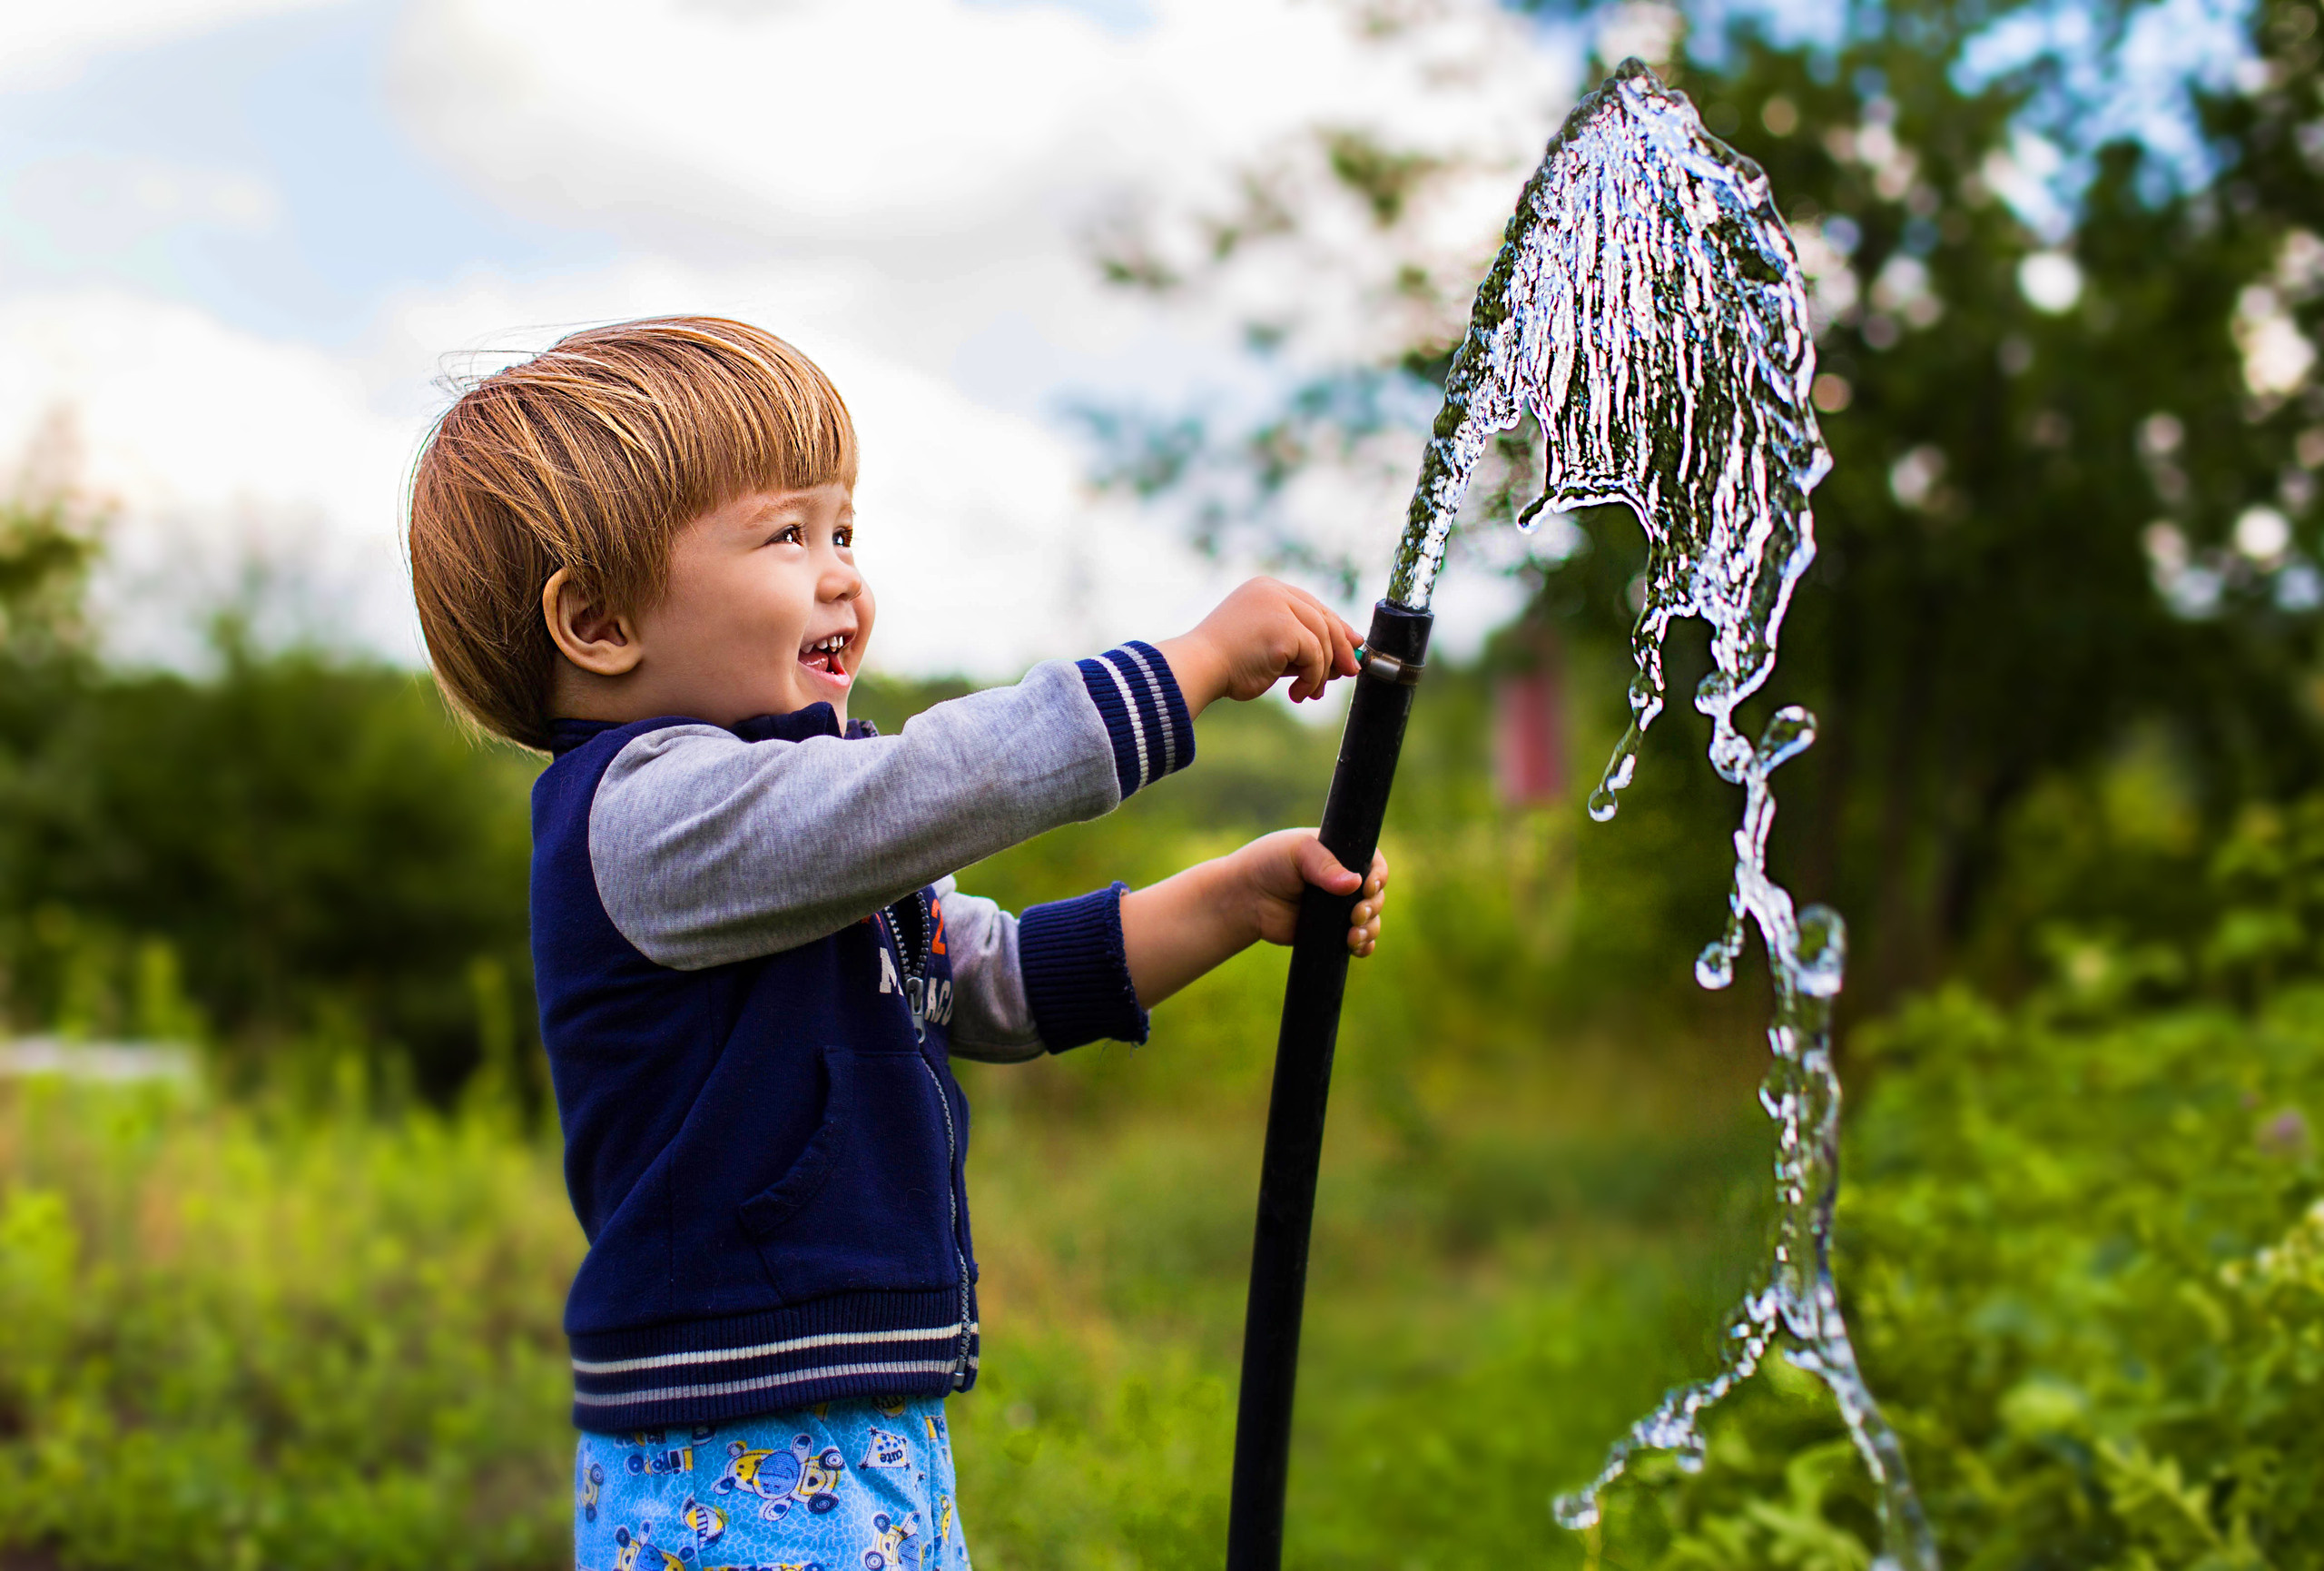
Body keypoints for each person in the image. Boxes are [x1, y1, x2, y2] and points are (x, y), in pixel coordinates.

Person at [405, 316, 1389, 1570]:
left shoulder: (796, 830)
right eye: (787, 534)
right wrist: (1187, 666)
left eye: (845, 531)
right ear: (597, 621)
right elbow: (938, 784)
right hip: (734, 1446)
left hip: (857, 1422)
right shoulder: (648, 815)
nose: (841, 576)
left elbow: (990, 979)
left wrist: (1229, 902)